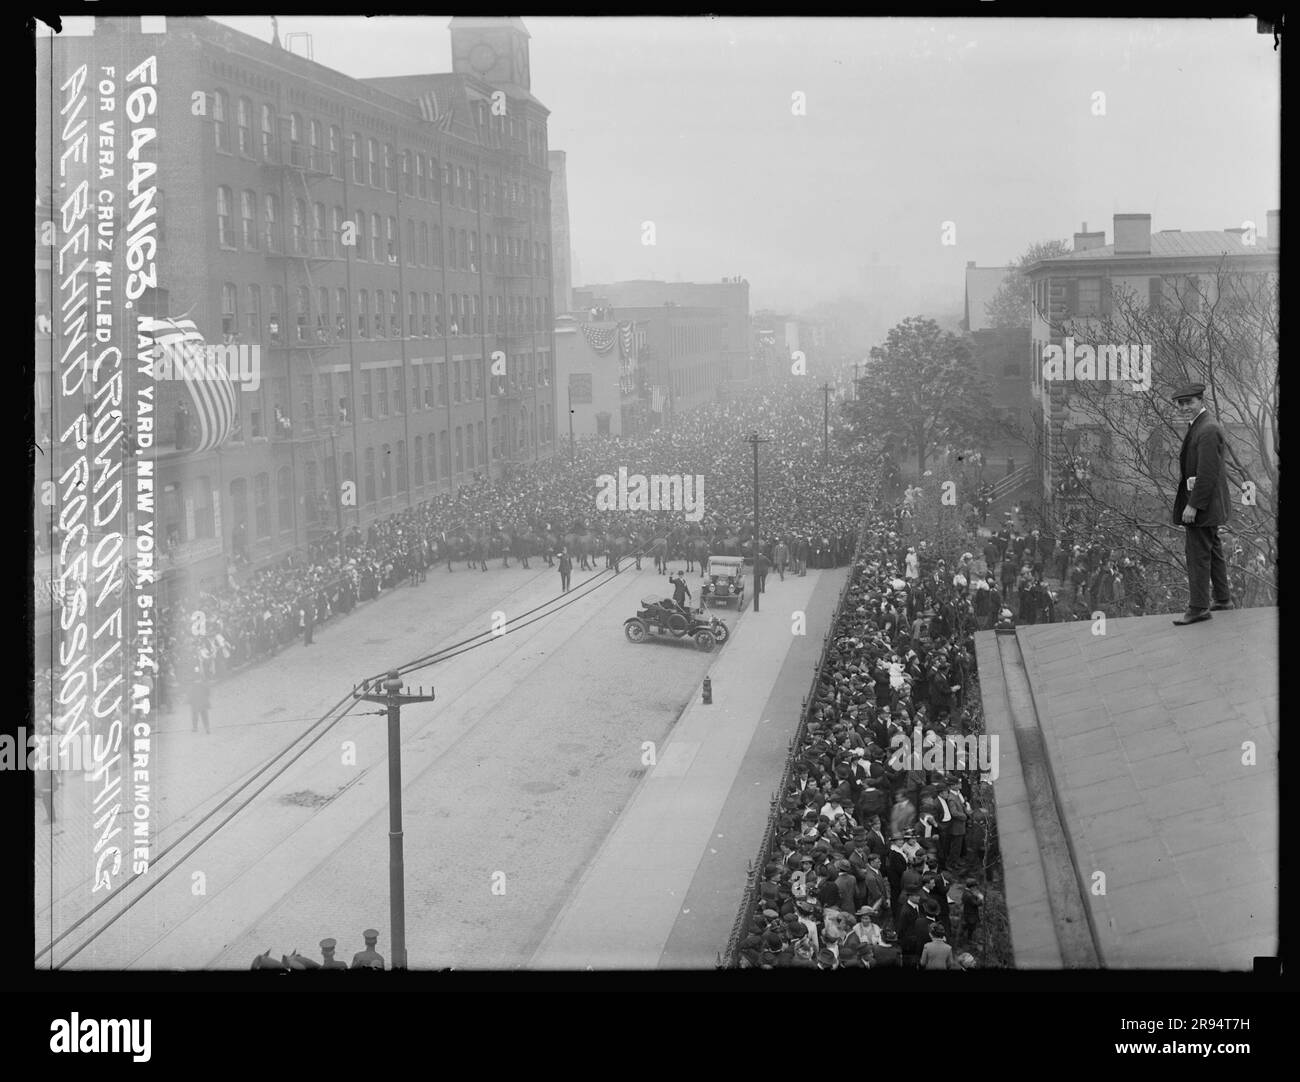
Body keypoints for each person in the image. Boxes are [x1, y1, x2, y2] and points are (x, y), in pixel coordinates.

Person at [1170, 382, 1233, 625]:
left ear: (1200, 401)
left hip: (1204, 504)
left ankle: (1198, 608)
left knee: (1197, 553)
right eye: (1180, 403)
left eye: (1189, 402)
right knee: (1213, 549)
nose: (1184, 407)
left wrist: (1193, 505)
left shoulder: (1207, 429)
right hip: (1210, 503)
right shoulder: (1201, 425)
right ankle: (1223, 599)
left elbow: (1207, 473)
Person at [189, 669, 211, 733]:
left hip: (195, 703)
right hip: (202, 702)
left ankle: (195, 727)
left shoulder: (192, 685)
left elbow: (190, 694)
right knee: (204, 715)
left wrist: (189, 701)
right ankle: (207, 728)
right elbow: (208, 692)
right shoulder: (203, 684)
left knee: (195, 715)